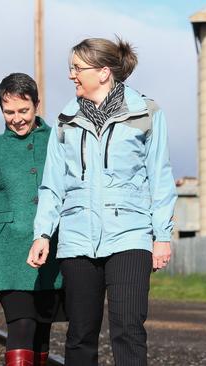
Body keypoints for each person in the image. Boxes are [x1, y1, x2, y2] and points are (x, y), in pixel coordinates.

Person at [27, 37, 177, 366]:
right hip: (78, 238)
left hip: (130, 234)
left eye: (77, 68)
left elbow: (160, 177)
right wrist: (43, 233)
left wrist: (161, 235)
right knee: (80, 334)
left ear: (104, 72)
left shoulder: (146, 113)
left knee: (128, 329)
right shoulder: (66, 121)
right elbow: (52, 182)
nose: (71, 76)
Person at [0, 73, 64, 366]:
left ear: (36, 105)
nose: (16, 118)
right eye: (9, 112)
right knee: (21, 325)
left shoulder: (58, 140)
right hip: (7, 253)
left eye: (23, 111)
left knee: (42, 330)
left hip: (51, 253)